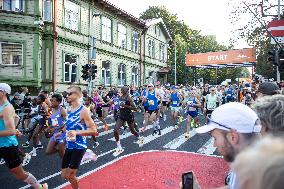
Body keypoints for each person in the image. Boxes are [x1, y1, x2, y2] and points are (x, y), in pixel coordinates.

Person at [196, 102, 261, 189]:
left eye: (215, 138)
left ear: (233, 137)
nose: (214, 144)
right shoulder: (247, 165)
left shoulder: (259, 179)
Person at [0, 83, 48, 189]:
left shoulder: (7, 108)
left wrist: (14, 129)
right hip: (2, 144)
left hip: (7, 146)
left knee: (19, 174)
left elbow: (10, 131)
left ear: (3, 93)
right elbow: (16, 117)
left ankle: (39, 187)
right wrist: (15, 127)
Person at [61, 86, 98, 189]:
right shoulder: (69, 109)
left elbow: (94, 130)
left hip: (79, 147)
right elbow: (68, 126)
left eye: (70, 94)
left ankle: (86, 153)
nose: (67, 96)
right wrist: (61, 131)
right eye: (66, 94)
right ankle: (86, 155)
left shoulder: (83, 111)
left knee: (70, 175)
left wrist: (77, 132)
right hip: (69, 145)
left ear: (78, 95)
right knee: (64, 174)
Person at [113, 86, 144, 156]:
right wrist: (117, 111)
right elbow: (120, 106)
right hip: (121, 115)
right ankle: (119, 146)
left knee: (132, 130)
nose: (121, 90)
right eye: (121, 89)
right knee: (115, 129)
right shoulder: (120, 97)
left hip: (129, 115)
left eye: (122, 89)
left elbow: (135, 108)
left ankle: (139, 137)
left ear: (126, 90)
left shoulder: (129, 98)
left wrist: (125, 106)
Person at [45, 94, 67, 158]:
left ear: (59, 102)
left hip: (63, 133)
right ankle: (62, 149)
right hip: (55, 133)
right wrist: (49, 128)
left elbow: (68, 123)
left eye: (53, 101)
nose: (51, 102)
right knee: (48, 152)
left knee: (62, 155)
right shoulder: (52, 109)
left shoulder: (62, 110)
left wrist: (59, 129)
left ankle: (67, 166)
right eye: (51, 100)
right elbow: (55, 122)